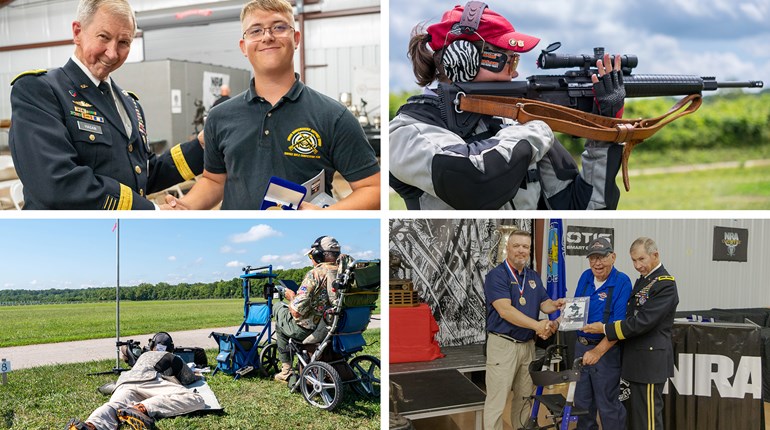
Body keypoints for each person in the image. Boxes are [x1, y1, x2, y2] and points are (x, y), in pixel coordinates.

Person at [390, 2, 626, 210]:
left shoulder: (514, 124)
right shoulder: (406, 131)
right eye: (510, 61)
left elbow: (584, 207)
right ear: (463, 59)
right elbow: (473, 183)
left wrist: (605, 129)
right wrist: (537, 127)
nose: (515, 73)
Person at [163, 0, 380, 210]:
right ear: (243, 46)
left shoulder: (333, 116)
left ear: (296, 38)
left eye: (279, 27)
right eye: (255, 30)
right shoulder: (219, 117)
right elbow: (214, 181)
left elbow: (373, 188)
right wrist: (185, 206)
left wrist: (327, 215)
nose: (267, 36)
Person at [9, 0, 204, 210]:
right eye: (104, 37)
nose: (112, 53)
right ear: (77, 32)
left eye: (124, 42)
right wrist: (150, 211)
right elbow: (56, 182)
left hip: (121, 227)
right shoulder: (40, 90)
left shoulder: (129, 103)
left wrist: (202, 147)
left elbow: (143, 173)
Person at [582, 237, 679, 430]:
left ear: (655, 255)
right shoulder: (645, 280)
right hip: (634, 361)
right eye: (634, 260)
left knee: (648, 420)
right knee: (635, 418)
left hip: (649, 364)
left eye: (641, 259)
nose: (637, 265)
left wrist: (604, 328)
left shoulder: (664, 284)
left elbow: (642, 322)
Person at [483, 230, 565, 430]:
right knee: (496, 402)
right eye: (516, 246)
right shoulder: (496, 275)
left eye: (525, 247)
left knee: (524, 398)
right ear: (507, 248)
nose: (521, 250)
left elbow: (544, 303)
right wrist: (538, 326)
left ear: (529, 250)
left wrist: (555, 304)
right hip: (503, 345)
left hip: (527, 346)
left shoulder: (533, 276)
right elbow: (505, 311)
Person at [66, 332, 205, 430]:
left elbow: (126, 354)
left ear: (151, 345)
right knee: (195, 398)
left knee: (114, 405)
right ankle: (140, 409)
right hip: (149, 379)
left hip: (125, 381)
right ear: (171, 348)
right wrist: (195, 373)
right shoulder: (171, 356)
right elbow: (188, 379)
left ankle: (91, 425)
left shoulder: (143, 356)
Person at [572, 237, 632, 430]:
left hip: (606, 350)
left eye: (602, 257)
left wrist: (597, 352)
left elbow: (619, 325)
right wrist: (557, 321)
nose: (597, 263)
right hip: (581, 348)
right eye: (593, 258)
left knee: (608, 405)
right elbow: (575, 310)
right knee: (582, 404)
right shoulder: (585, 276)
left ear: (613, 257)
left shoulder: (622, 281)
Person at [273, 236, 344, 381]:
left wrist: (291, 297)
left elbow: (296, 311)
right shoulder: (345, 272)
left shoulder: (315, 274)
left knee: (279, 310)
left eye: (311, 256)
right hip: (341, 325)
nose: (311, 259)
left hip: (313, 328)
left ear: (318, 255)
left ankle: (286, 370)